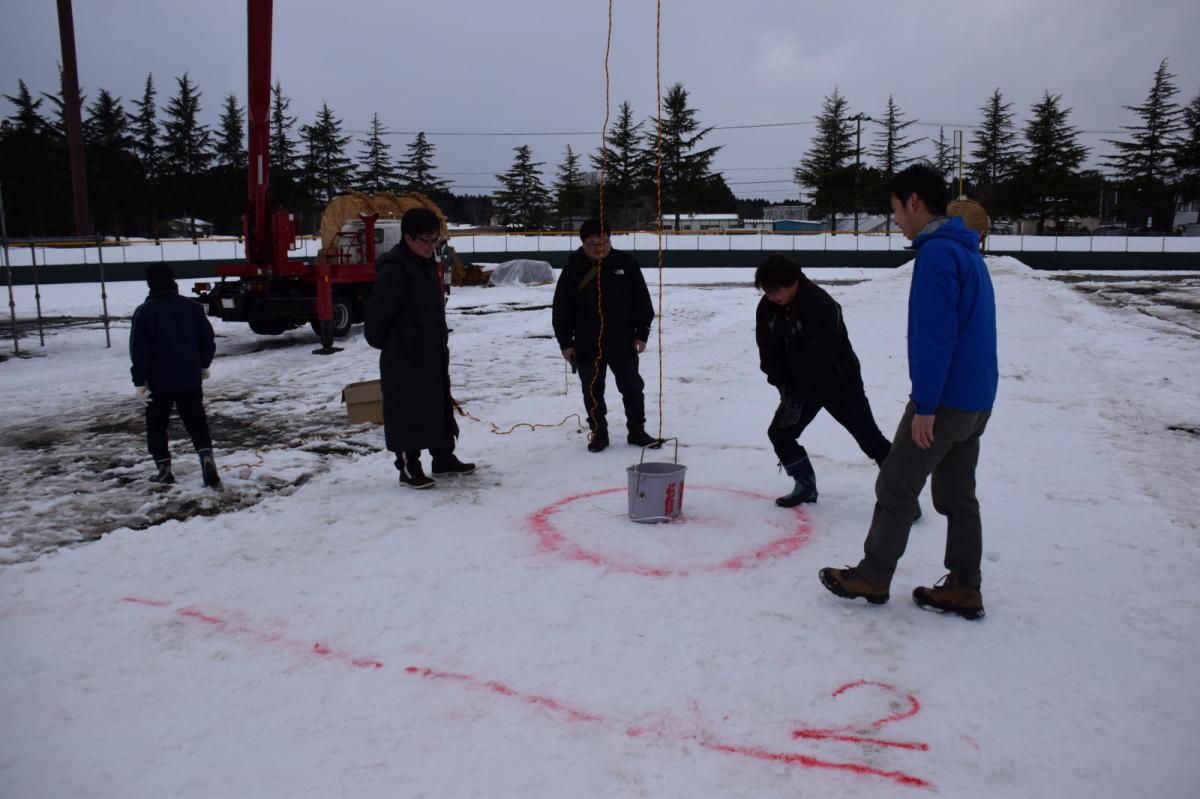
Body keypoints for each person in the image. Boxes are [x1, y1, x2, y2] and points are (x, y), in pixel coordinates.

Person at [820, 163, 998, 620]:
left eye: (896, 209)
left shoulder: (938, 254)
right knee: (959, 498)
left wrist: (925, 406)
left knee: (897, 484)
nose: (896, 219)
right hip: (976, 401)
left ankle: (873, 576)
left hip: (945, 401)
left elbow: (934, 338)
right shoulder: (968, 252)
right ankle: (964, 587)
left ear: (914, 202)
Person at [754, 254, 893, 507]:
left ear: (793, 281)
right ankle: (805, 487)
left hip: (840, 385)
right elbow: (768, 351)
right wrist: (784, 385)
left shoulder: (821, 305)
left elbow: (820, 358)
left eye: (775, 290)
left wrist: (796, 387)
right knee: (780, 435)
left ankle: (901, 496)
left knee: (871, 440)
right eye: (766, 290)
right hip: (800, 388)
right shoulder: (767, 308)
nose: (771, 296)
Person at [365, 207, 475, 489]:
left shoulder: (425, 264)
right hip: (404, 358)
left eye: (434, 240)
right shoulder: (395, 268)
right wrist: (400, 344)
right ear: (407, 238)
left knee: (437, 406)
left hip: (432, 353)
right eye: (425, 240)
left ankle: (443, 457)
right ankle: (408, 467)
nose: (430, 246)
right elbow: (376, 321)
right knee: (406, 412)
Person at [552, 218, 661, 452]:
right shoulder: (573, 267)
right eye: (592, 243)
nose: (599, 247)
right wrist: (566, 343)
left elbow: (642, 301)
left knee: (632, 387)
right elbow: (561, 308)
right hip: (586, 343)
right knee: (592, 390)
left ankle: (637, 430)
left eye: (604, 242)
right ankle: (599, 432)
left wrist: (642, 333)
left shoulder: (626, 262)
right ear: (582, 244)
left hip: (622, 340)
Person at [129, 261, 220, 488]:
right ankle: (207, 460)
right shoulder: (193, 307)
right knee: (197, 422)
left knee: (157, 427)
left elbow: (139, 351)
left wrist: (140, 382)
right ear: (173, 280)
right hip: (190, 380)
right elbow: (207, 340)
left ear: (150, 284)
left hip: (158, 384)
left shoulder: (144, 312)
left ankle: (164, 472)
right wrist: (202, 365)